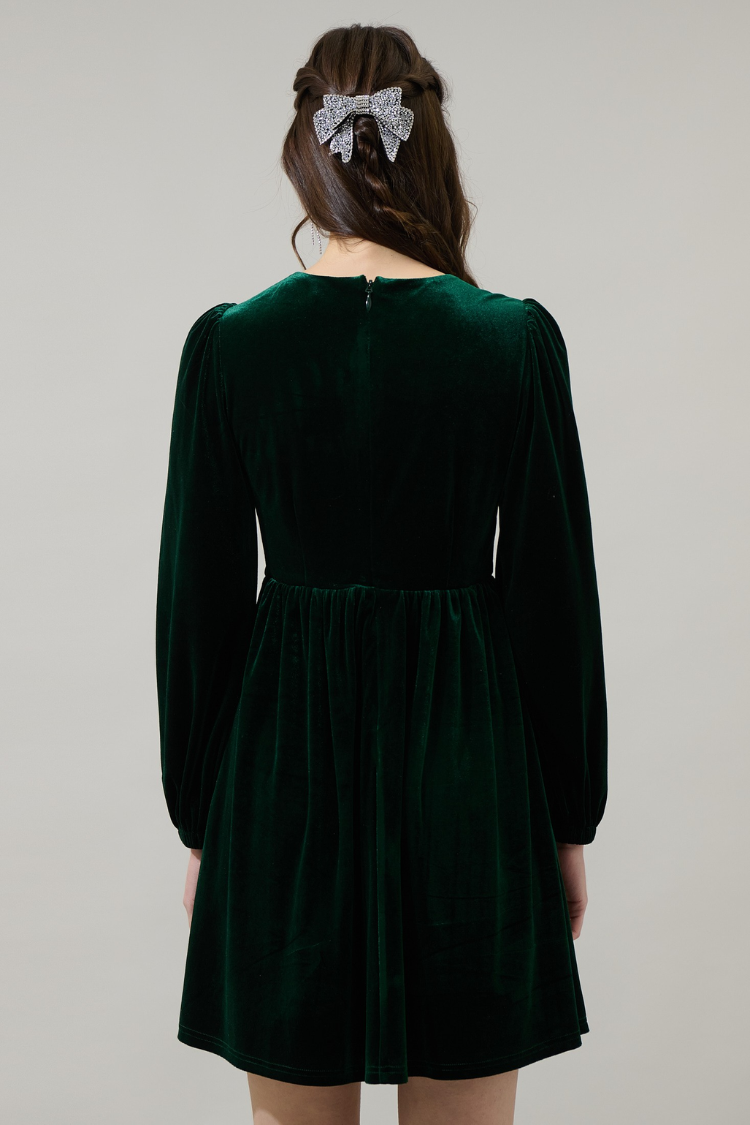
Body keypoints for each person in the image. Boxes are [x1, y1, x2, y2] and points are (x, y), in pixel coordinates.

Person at [156, 22, 608, 1125]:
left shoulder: (233, 345)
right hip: (469, 769)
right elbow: (554, 601)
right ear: (430, 144)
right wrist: (569, 821)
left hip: (281, 771)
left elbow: (197, 608)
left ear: (304, 150)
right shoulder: (509, 340)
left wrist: (202, 820)